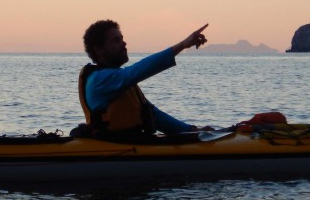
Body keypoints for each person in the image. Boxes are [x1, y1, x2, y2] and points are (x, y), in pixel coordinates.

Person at [76, 19, 211, 137]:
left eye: (122, 39)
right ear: (99, 49)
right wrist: (182, 45)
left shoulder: (119, 80)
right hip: (115, 148)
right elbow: (138, 71)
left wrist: (191, 130)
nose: (124, 44)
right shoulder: (99, 80)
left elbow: (153, 115)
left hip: (133, 142)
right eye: (116, 41)